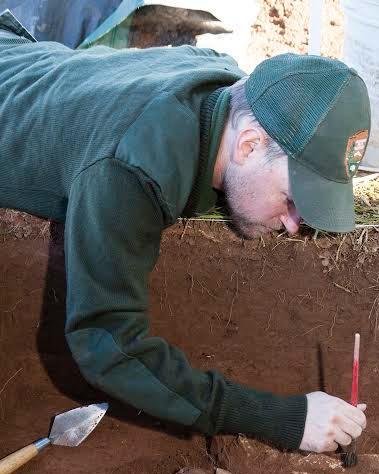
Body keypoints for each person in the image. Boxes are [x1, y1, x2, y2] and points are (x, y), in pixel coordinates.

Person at [0, 9, 370, 454]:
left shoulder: (226, 82)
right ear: (249, 144)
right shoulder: (129, 168)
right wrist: (284, 419)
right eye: (293, 201)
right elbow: (110, 346)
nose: (295, 226)